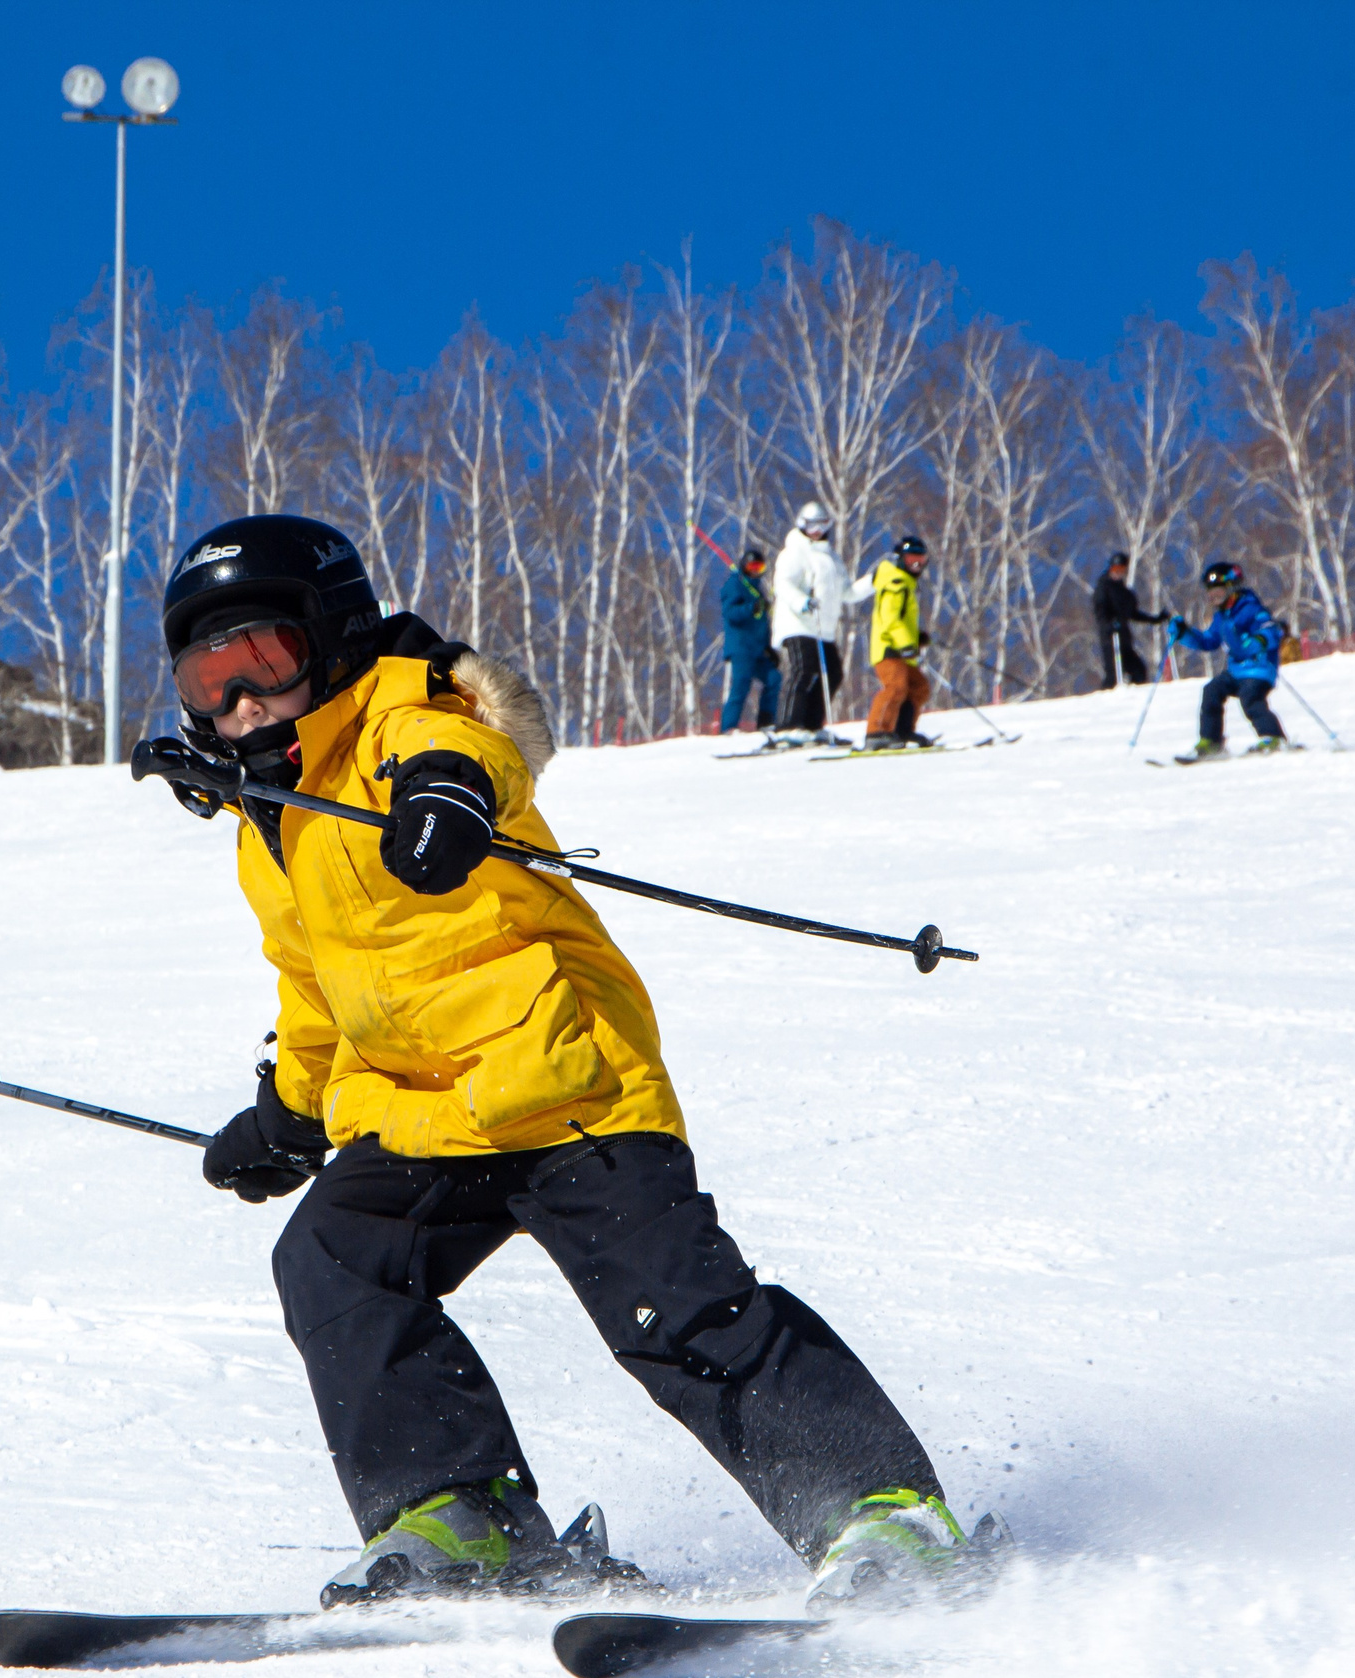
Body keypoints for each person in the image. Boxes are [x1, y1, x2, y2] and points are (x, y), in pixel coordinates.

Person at [151, 513, 968, 1615]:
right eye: (210, 682)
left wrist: (448, 789)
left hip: (566, 1083)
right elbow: (316, 991)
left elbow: (472, 746)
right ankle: (459, 1512)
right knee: (334, 1259)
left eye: (264, 661)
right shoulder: (273, 823)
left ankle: (880, 1510)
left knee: (676, 1314)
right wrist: (288, 1115)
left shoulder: (403, 714)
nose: (242, 702)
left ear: (330, 638)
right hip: (430, 1116)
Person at [1167, 562, 1289, 758]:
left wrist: (1258, 641)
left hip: (1259, 668)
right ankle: (1211, 741)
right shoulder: (1221, 618)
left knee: (1250, 697)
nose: (1213, 597)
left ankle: (1273, 737)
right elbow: (1208, 641)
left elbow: (1272, 630)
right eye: (1210, 592)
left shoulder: (1251, 608)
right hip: (1236, 671)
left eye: (1218, 591)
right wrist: (1184, 633)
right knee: (1211, 690)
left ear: (1232, 588)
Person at [771, 501, 852, 743]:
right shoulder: (794, 551)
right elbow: (782, 583)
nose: (816, 531)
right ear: (801, 525)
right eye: (810, 525)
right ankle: (787, 726)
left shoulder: (831, 558)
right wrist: (802, 601)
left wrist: (874, 581)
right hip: (797, 623)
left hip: (821, 628)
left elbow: (846, 592)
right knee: (803, 669)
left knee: (833, 673)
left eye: (821, 525)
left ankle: (811, 725)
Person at [862, 536, 934, 750]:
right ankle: (877, 732)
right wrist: (905, 644)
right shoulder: (895, 583)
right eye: (912, 559)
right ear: (900, 559)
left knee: (918, 687)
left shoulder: (906, 584)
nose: (917, 565)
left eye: (921, 560)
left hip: (902, 650)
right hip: (889, 649)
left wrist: (915, 638)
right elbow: (890, 619)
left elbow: (901, 620)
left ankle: (902, 730)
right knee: (896, 687)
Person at [717, 546, 781, 733]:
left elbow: (762, 623)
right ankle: (728, 727)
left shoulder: (757, 590)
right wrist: (751, 608)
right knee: (741, 684)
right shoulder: (735, 584)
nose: (755, 572)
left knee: (774, 678)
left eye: (759, 568)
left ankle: (766, 722)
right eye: (752, 567)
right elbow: (729, 613)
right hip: (741, 647)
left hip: (758, 648)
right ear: (744, 566)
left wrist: (768, 647)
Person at [1091, 551, 1167, 689]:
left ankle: (1134, 697)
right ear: (1110, 568)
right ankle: (1105, 699)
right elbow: (1100, 612)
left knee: (1138, 671)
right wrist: (1109, 625)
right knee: (1114, 675)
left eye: (1121, 570)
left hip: (1124, 638)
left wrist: (1155, 619)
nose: (1118, 573)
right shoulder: (1103, 587)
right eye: (1115, 569)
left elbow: (1132, 613)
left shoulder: (1124, 592)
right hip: (1111, 639)